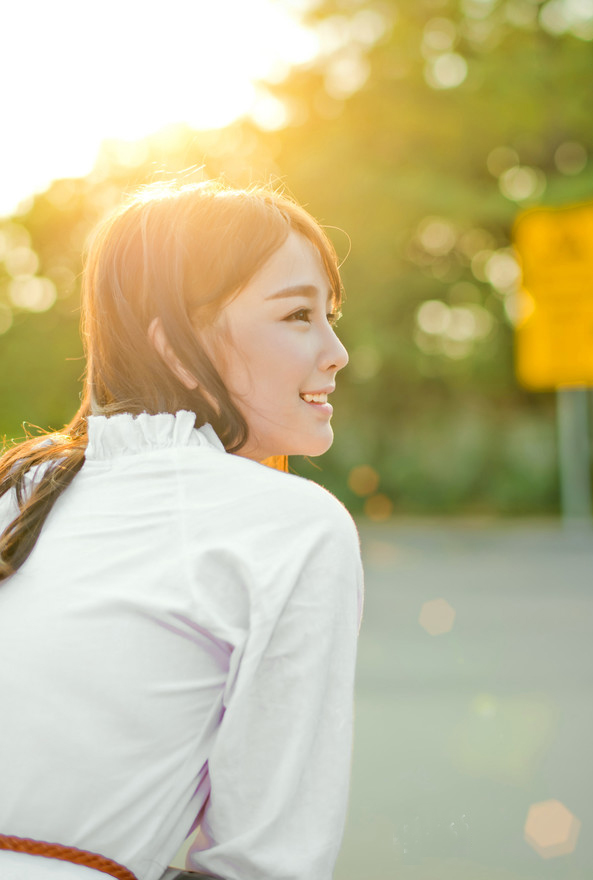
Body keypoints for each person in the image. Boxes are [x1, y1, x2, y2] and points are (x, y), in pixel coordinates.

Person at [0, 180, 364, 880]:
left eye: (330, 315)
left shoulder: (23, 489)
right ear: (174, 345)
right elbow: (267, 865)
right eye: (297, 316)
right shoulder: (295, 524)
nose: (336, 350)